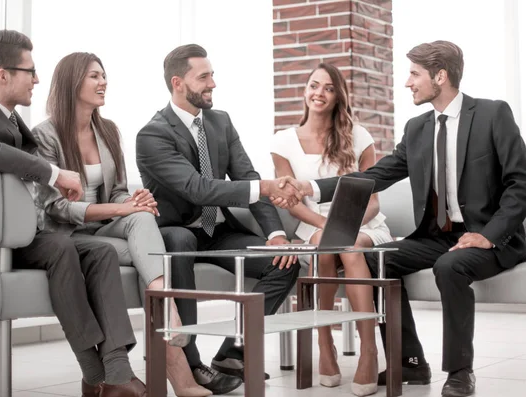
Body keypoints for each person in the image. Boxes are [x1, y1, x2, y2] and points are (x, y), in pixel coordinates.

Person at [280, 41, 526, 397]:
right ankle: (409, 363)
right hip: (437, 234)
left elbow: (521, 183)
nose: (408, 83)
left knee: (451, 266)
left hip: (488, 236)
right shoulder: (417, 129)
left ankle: (460, 371)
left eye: (414, 74)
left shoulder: (492, 115)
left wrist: (489, 235)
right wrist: (310, 185)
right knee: (377, 261)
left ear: (440, 76)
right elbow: (375, 175)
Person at [0, 30, 148, 397]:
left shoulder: (12, 120)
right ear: (2, 74)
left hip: (18, 232)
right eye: (30, 70)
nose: (38, 79)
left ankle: (116, 372)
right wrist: (55, 174)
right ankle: (93, 371)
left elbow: (29, 170)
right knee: (60, 248)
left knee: (100, 252)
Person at [31, 51, 211, 397]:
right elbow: (56, 208)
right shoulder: (46, 135)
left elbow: (115, 192)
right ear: (72, 83)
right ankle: (167, 329)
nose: (103, 83)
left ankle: (165, 304)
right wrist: (121, 209)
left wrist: (133, 202)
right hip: (68, 234)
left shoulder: (109, 130)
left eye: (104, 76)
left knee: (144, 214)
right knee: (142, 232)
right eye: (94, 77)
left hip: (104, 228)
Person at [135, 44, 302, 395]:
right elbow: (197, 189)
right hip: (176, 231)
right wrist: (267, 186)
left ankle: (232, 352)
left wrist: (274, 234)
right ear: (178, 82)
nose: (213, 83)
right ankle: (191, 364)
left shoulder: (220, 122)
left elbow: (248, 176)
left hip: (218, 232)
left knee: (284, 262)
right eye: (204, 76)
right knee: (179, 243)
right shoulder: (152, 135)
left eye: (212, 74)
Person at [270, 62, 392, 396]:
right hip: (315, 226)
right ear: (304, 91)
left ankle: (369, 349)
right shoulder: (283, 142)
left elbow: (374, 201)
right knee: (328, 244)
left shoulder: (359, 136)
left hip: (363, 225)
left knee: (347, 247)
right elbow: (291, 201)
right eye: (313, 85)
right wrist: (327, 224)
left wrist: (345, 225)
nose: (318, 93)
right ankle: (325, 344)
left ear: (338, 96)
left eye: (328, 87)